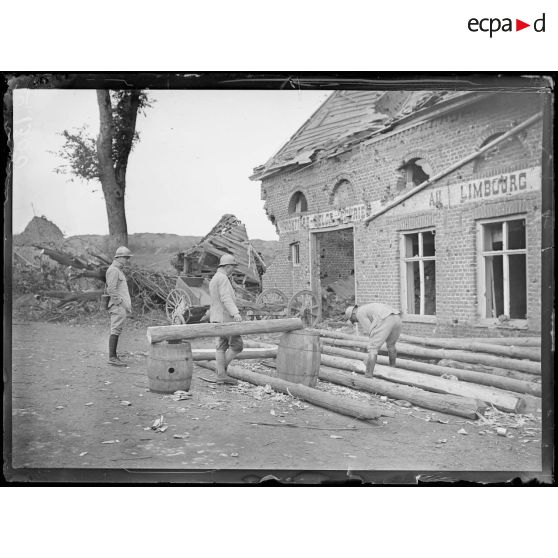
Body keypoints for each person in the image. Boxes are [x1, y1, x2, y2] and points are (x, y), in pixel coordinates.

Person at [208, 254, 243, 385]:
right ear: (228, 267)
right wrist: (235, 313)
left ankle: (221, 374)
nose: (233, 269)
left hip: (216, 318)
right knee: (237, 345)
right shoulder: (223, 279)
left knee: (221, 347)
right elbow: (225, 298)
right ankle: (221, 373)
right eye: (233, 267)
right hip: (226, 318)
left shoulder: (214, 278)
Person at [345, 302, 402, 378]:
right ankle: (392, 369)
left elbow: (371, 331)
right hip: (396, 317)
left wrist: (369, 352)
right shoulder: (366, 308)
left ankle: (368, 375)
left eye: (353, 320)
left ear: (352, 315)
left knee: (373, 348)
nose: (356, 322)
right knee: (391, 345)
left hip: (385, 318)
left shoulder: (359, 313)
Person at [106, 246, 133, 366]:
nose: (127, 260)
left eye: (128, 258)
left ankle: (114, 355)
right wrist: (120, 303)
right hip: (117, 306)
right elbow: (111, 289)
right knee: (115, 330)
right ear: (119, 257)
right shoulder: (113, 270)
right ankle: (112, 357)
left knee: (117, 330)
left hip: (120, 306)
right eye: (126, 258)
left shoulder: (118, 270)